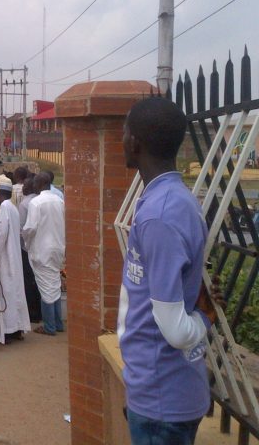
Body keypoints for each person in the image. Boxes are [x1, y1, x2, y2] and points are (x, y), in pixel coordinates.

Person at [119, 96, 218, 444]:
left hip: (162, 397)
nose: (122, 139)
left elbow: (175, 330)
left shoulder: (160, 215)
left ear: (135, 142)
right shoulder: (169, 199)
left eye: (124, 132)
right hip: (158, 389)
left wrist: (205, 317)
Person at [22, 172, 65, 336]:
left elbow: (30, 228)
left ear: (39, 185)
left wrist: (25, 241)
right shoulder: (59, 200)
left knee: (46, 288)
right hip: (58, 248)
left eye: (35, 183)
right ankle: (57, 323)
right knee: (54, 285)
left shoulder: (36, 203)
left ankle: (49, 326)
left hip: (41, 249)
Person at [0, 176, 31, 341]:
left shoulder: (5, 207)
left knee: (7, 293)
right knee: (15, 293)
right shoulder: (13, 207)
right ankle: (17, 329)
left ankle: (9, 330)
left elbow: (0, 235)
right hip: (14, 256)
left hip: (7, 258)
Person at [18, 175, 42, 322]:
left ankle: (32, 313)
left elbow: (21, 229)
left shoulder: (24, 204)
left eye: (24, 186)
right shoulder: (40, 201)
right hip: (41, 245)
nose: (22, 188)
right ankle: (41, 311)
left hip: (27, 247)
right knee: (39, 280)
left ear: (28, 188)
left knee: (28, 280)